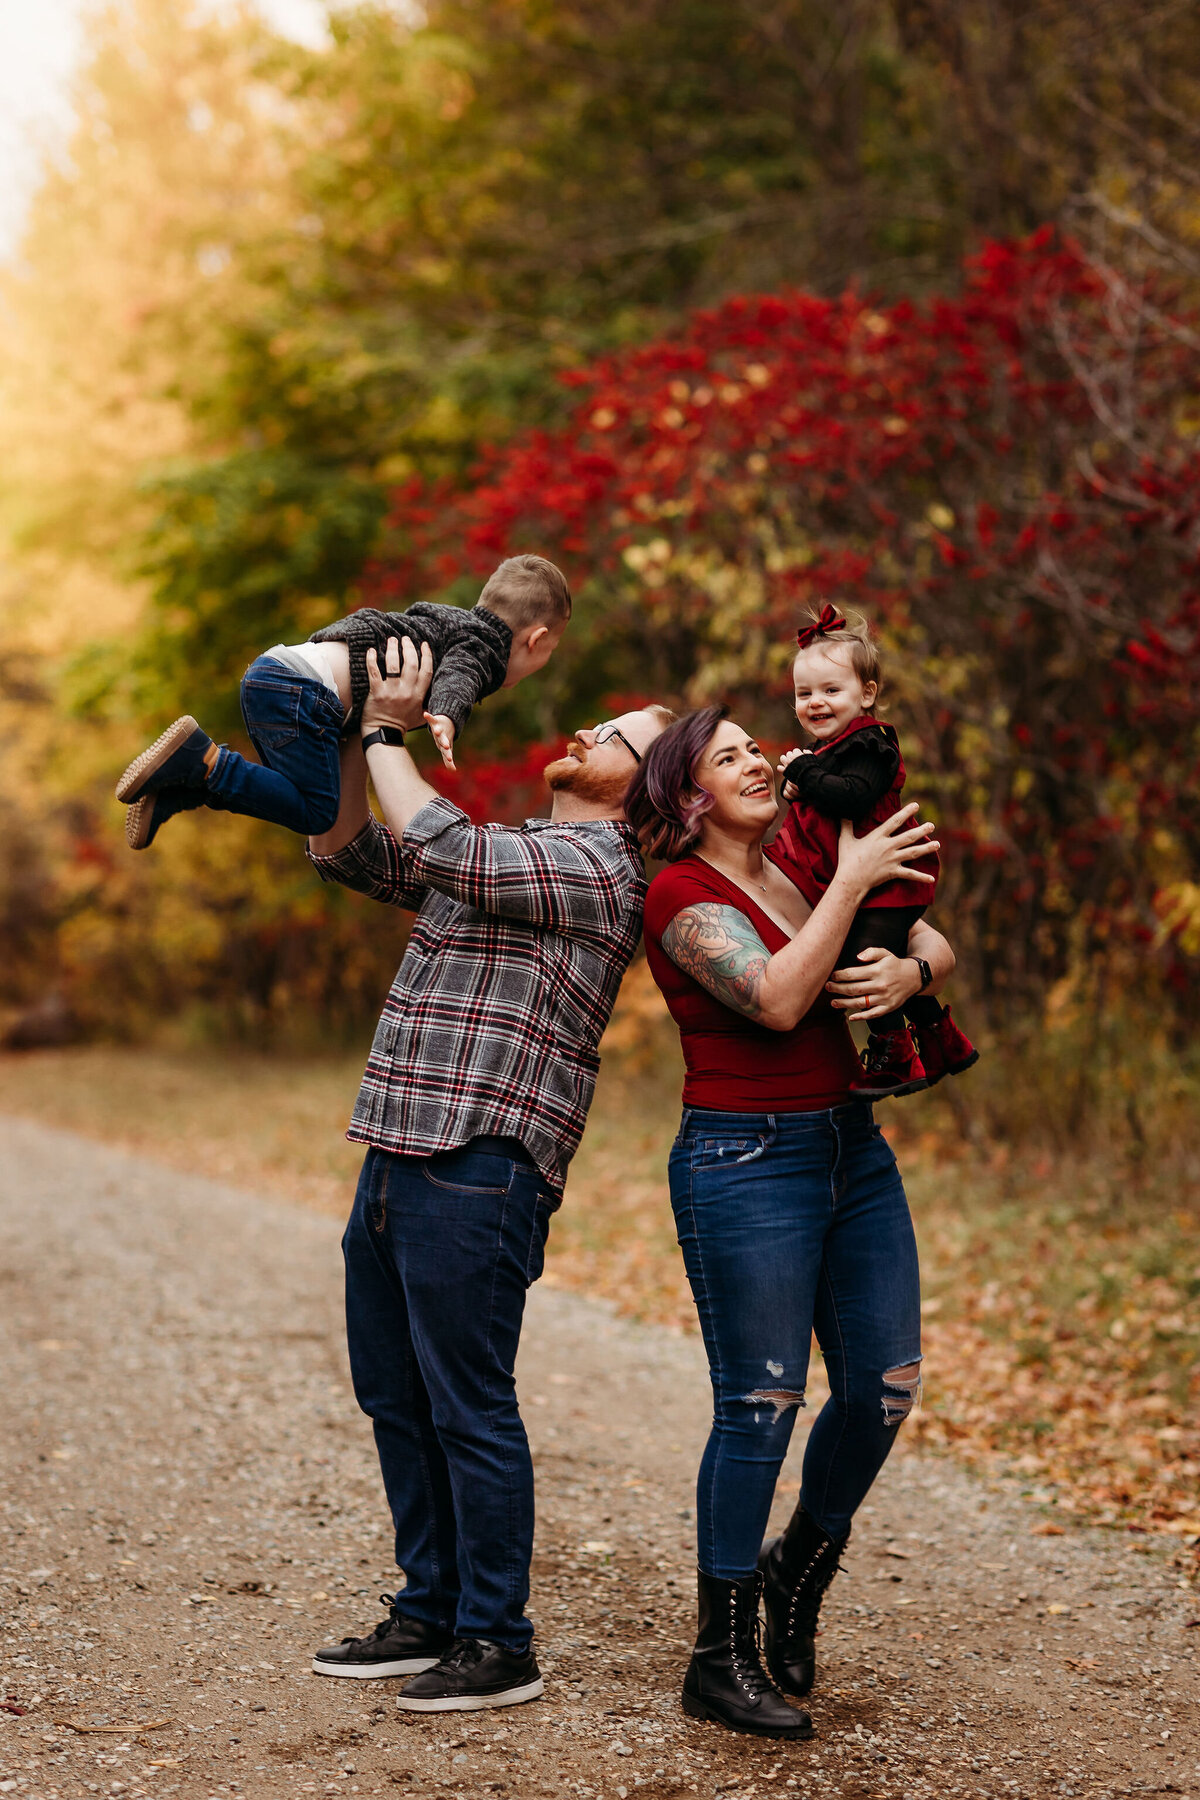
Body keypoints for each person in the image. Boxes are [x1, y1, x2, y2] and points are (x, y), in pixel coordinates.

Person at [305, 631, 672, 1712]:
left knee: (466, 1402)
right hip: (397, 1145)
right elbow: (353, 853)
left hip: (480, 1162)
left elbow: (444, 847)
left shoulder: (602, 870)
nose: (588, 730)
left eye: (618, 737)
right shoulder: (512, 846)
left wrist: (389, 731)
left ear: (647, 788)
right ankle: (429, 1611)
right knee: (393, 1393)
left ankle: (497, 1641)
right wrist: (334, 729)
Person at [625, 706, 956, 1741]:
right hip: (744, 1160)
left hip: (851, 1151)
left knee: (886, 1384)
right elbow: (773, 996)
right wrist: (851, 885)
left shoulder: (804, 864)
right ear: (689, 798)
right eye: (729, 758)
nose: (760, 760)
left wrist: (913, 972)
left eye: (756, 749)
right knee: (761, 1402)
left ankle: (797, 1564)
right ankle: (716, 1659)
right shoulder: (682, 893)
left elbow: (921, 932)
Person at [114, 554, 571, 849]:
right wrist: (447, 717)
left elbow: (376, 624)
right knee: (316, 811)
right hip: (305, 694)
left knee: (289, 793)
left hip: (281, 671)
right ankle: (203, 761)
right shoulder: (485, 650)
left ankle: (179, 788)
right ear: (537, 640)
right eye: (549, 655)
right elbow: (461, 676)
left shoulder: (447, 621)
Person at [774, 601, 977, 1098]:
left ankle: (894, 1054)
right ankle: (942, 1040)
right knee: (879, 956)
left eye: (830, 690)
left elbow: (855, 796)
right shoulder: (829, 752)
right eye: (804, 693)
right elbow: (826, 801)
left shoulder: (871, 745)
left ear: (867, 694)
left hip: (889, 880)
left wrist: (802, 772)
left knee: (858, 960)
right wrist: (801, 785)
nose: (815, 702)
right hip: (870, 883)